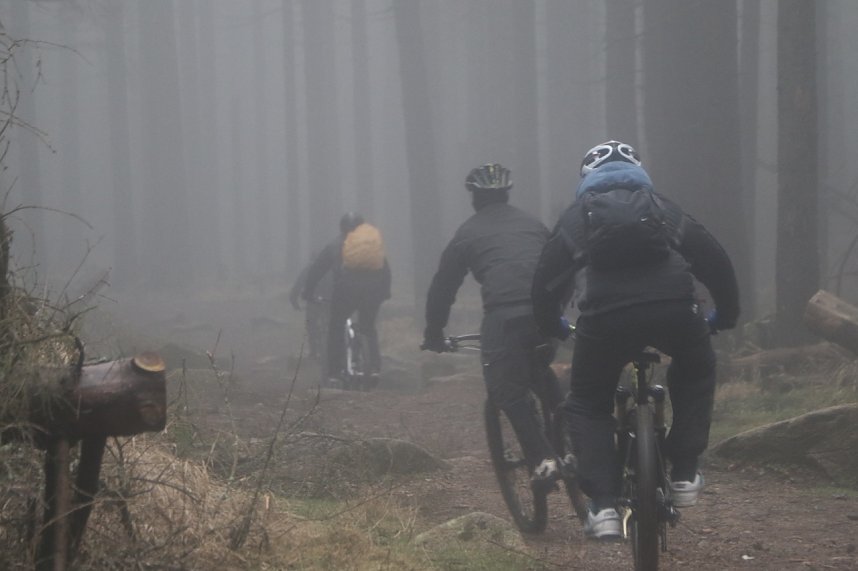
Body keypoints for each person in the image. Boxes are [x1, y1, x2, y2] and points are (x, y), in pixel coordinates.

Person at [531, 140, 740, 539]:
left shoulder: (577, 217)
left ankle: (605, 506)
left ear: (586, 180)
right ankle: (682, 472)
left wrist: (554, 326)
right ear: (640, 173)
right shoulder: (663, 207)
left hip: (605, 319)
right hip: (675, 309)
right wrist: (724, 316)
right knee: (696, 370)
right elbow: (716, 261)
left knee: (588, 403)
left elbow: (543, 284)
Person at [421, 163, 565, 488]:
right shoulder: (533, 224)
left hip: (506, 315)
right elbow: (559, 261)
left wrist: (434, 332)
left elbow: (443, 287)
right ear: (506, 193)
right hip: (547, 312)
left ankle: (543, 459)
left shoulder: (467, 233)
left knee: (506, 389)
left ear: (474, 197)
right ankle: (570, 439)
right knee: (540, 367)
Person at [302, 212, 391, 386]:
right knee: (368, 327)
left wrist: (308, 292)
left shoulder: (335, 244)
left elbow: (316, 270)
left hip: (347, 289)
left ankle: (335, 371)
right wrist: (385, 292)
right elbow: (385, 269)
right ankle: (373, 367)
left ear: (341, 227)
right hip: (373, 290)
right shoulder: (371, 243)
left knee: (336, 324)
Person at [289, 253, 333, 361]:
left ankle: (314, 351)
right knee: (331, 324)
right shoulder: (330, 268)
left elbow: (298, 285)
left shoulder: (308, 269)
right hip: (329, 300)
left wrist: (294, 300)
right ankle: (334, 349)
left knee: (311, 325)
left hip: (313, 300)